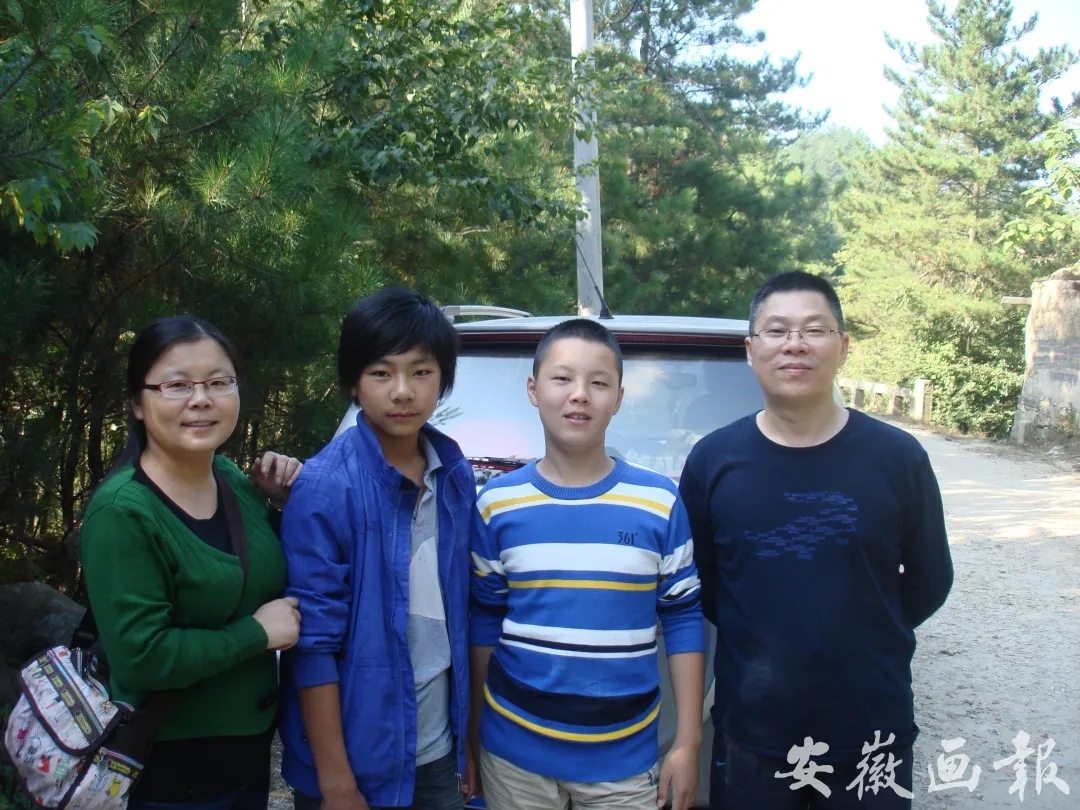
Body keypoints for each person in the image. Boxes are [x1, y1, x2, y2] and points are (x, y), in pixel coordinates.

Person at [678, 271, 954, 809]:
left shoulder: (898, 458)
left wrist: (863, 628)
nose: (795, 344)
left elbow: (930, 579)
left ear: (843, 346)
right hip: (753, 733)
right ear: (751, 349)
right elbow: (704, 583)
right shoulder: (714, 460)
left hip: (870, 729)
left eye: (814, 330)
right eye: (777, 330)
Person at [469, 318, 706, 810]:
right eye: (562, 378)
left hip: (625, 763)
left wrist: (687, 742)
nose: (579, 394)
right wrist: (473, 734)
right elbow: (484, 618)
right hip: (513, 758)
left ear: (618, 398)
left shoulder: (658, 502)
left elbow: (683, 617)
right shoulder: (497, 503)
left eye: (598, 382)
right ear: (533, 389)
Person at [79, 315, 305, 810]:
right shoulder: (122, 512)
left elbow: (262, 573)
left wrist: (284, 503)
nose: (201, 399)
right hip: (166, 768)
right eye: (177, 385)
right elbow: (142, 656)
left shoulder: (229, 479)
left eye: (219, 382)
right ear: (138, 404)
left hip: (246, 755)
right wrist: (256, 635)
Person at [278, 287, 478, 810]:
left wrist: (467, 741)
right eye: (381, 373)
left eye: (421, 372)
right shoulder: (326, 487)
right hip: (356, 762)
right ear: (353, 382)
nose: (403, 391)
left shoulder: (454, 474)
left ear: (443, 379)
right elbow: (313, 645)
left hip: (437, 751)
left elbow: (461, 618)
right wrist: (336, 782)